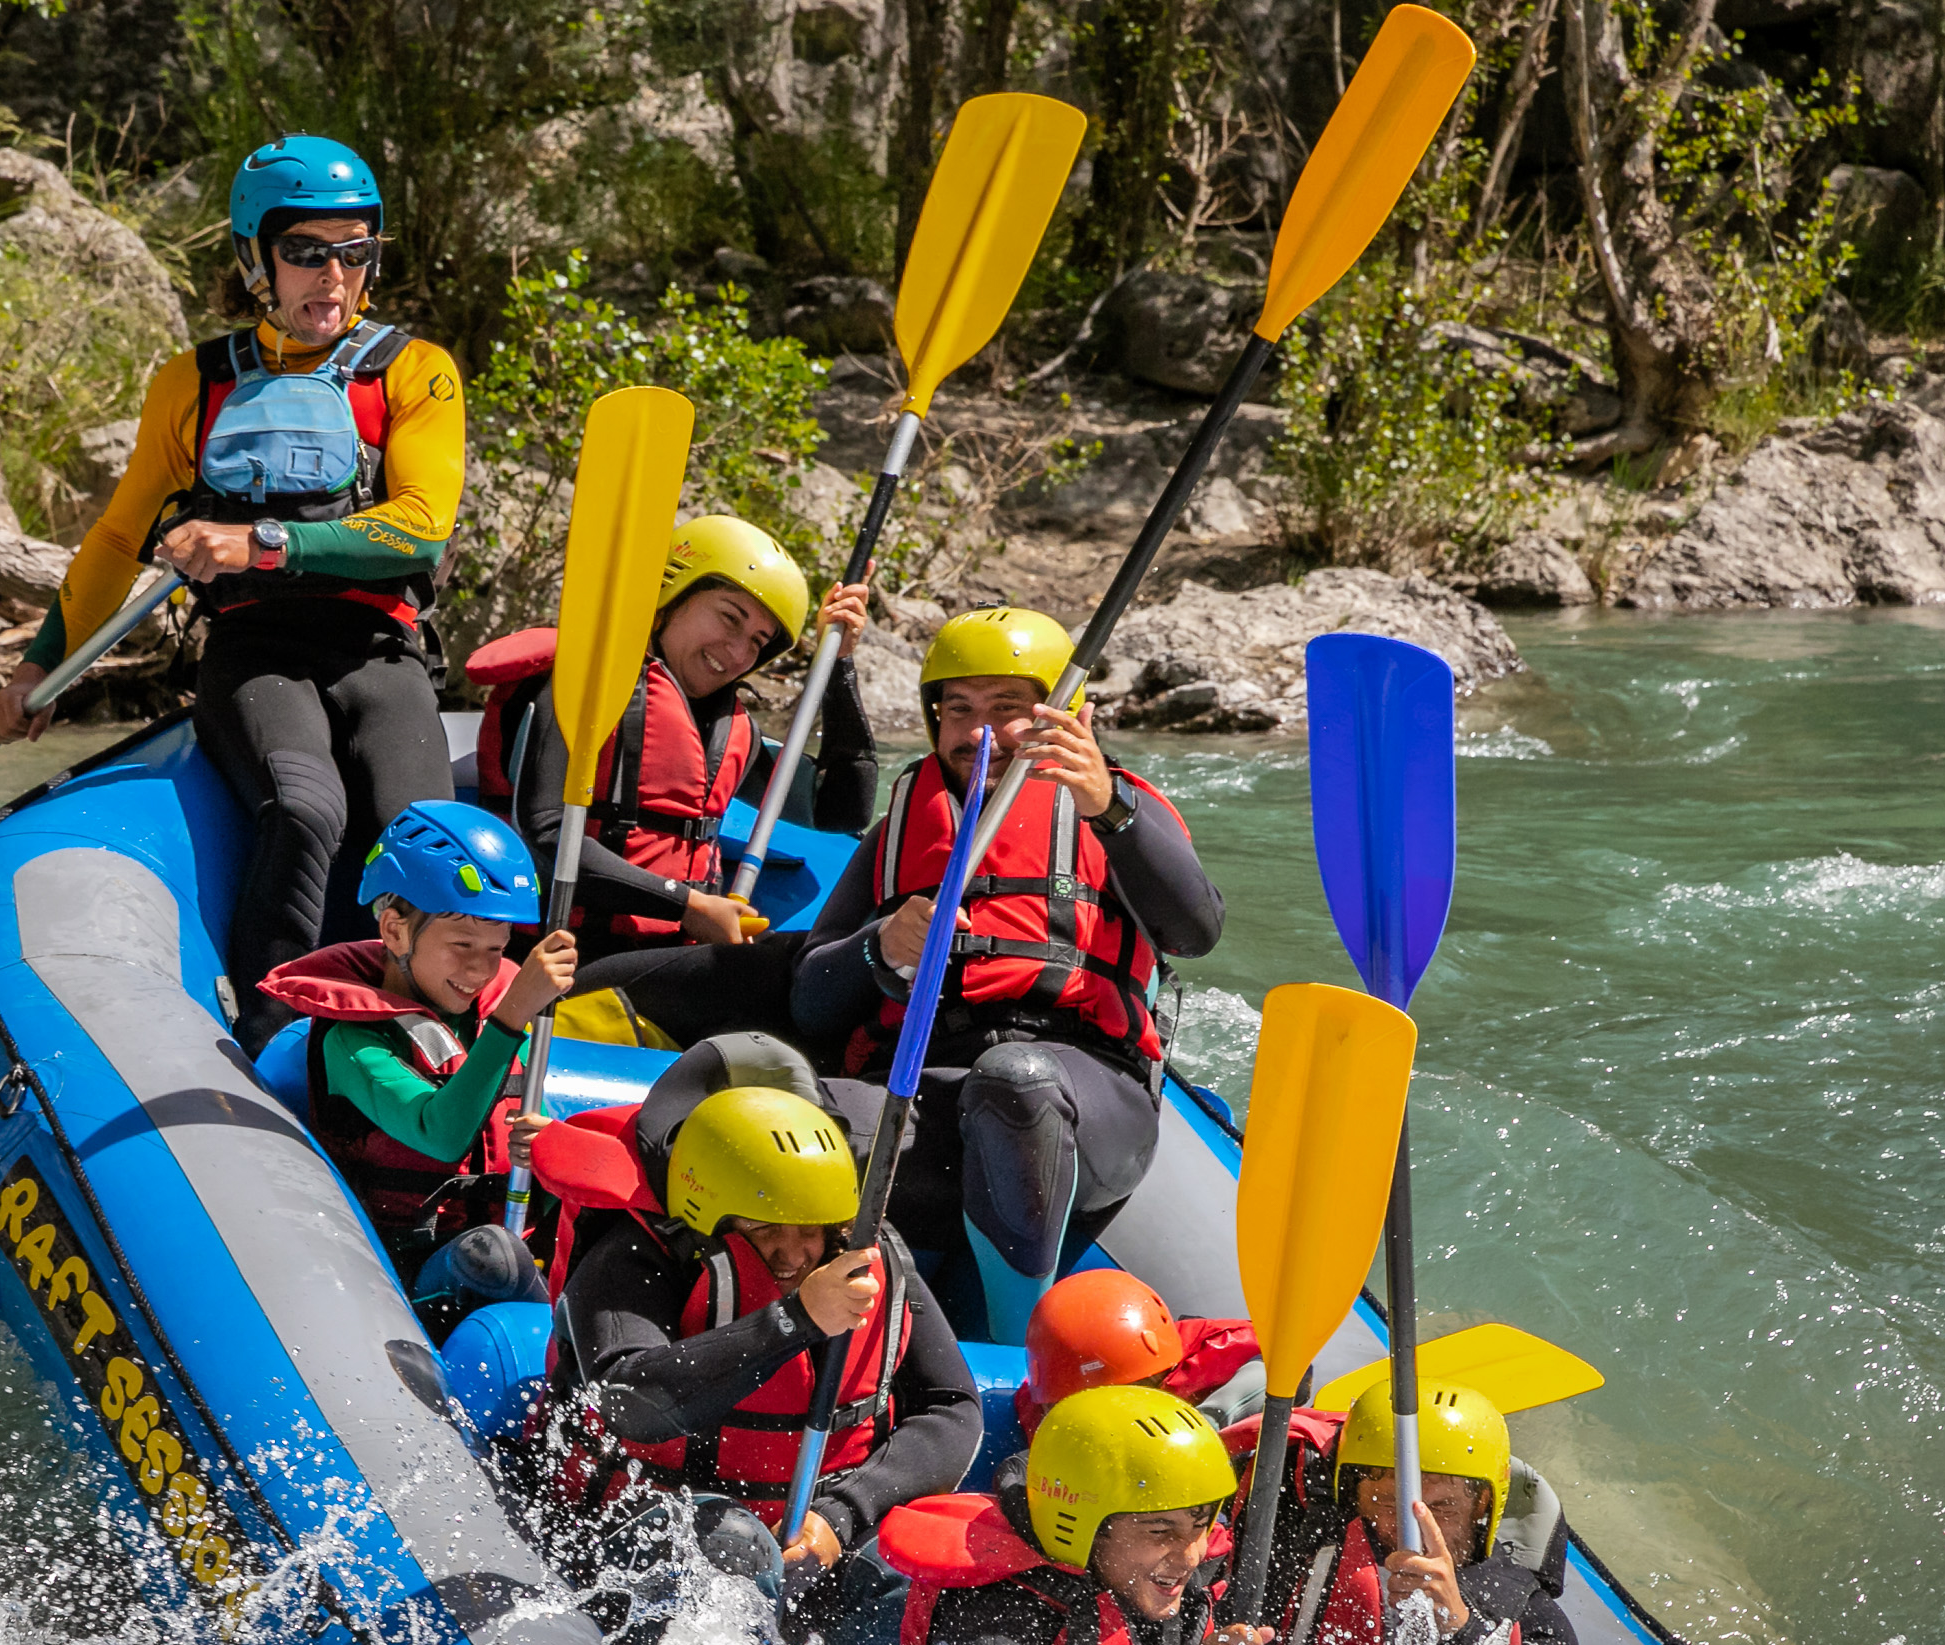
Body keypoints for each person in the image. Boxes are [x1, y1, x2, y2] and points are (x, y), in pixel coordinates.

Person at [0, 135, 463, 1049]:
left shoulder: (414, 370)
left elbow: (417, 527)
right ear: (257, 259)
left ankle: (423, 1042)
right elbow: (121, 537)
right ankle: (279, 1030)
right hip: (256, 656)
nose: (334, 276)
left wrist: (259, 540)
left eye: (356, 250)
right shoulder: (194, 382)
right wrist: (40, 667)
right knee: (304, 807)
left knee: (419, 838)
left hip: (378, 650)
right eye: (307, 252)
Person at [791, 607, 1225, 1344]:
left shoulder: (1115, 808)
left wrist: (1107, 808)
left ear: (1065, 717)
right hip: (928, 1095)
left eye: (1006, 710)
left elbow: (1195, 929)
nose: (976, 732)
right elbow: (811, 1000)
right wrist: (880, 945)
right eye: (957, 709)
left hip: (1088, 1098)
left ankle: (1013, 1355)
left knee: (1015, 1079)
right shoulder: (903, 824)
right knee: (787, 1128)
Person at [533, 1069, 978, 1593]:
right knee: (733, 1542)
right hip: (644, 1530)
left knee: (925, 1562)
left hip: (820, 1531)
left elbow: (953, 1407)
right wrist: (796, 1321)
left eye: (809, 1229)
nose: (792, 1254)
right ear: (708, 1214)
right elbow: (632, 1403)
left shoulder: (866, 1257)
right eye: (764, 1228)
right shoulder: (630, 1258)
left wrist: (843, 1513)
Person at [472, 516, 875, 1047]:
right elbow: (545, 838)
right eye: (729, 619)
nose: (735, 652)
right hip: (556, 970)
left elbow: (844, 810)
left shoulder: (729, 730)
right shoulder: (580, 687)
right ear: (670, 597)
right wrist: (689, 906)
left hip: (657, 968)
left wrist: (838, 665)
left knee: (827, 968)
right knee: (784, 971)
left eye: (756, 641)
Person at [253, 801, 571, 1333]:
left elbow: (521, 1116)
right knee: (491, 1254)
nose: (481, 969)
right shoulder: (353, 1042)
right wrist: (516, 1015)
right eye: (462, 945)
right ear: (396, 932)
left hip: (518, 1255)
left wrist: (547, 1146)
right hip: (413, 1273)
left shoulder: (485, 1017)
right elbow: (440, 1133)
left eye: (496, 949)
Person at [877, 1384, 1269, 1645]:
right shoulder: (995, 1627)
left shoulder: (1156, 1575)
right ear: (1081, 1527)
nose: (1190, 1556)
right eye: (1160, 1530)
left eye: (1199, 1526)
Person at [1231, 1379, 1583, 1645]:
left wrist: (1460, 1625)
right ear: (1355, 1497)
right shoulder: (1290, 1555)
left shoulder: (1530, 1614)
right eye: (1388, 1502)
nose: (1412, 1527)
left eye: (1443, 1508)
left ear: (1482, 1506)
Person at [1011, 1268, 1261, 1438]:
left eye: (1123, 1394)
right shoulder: (1045, 1404)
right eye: (1090, 1401)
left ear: (1161, 1372)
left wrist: (1209, 1420)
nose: (1112, 1413)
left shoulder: (1217, 1348)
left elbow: (1277, 1368)